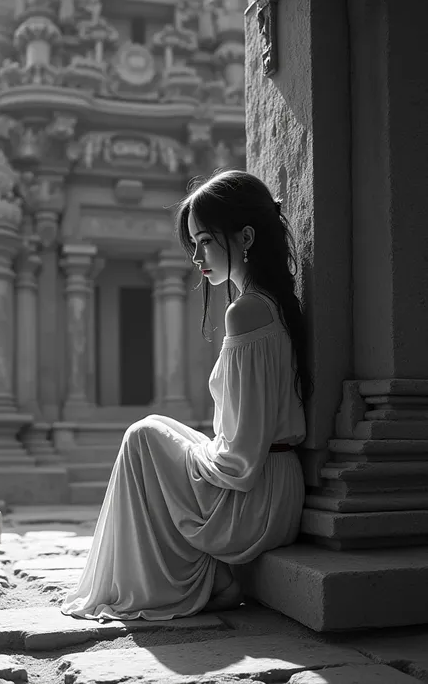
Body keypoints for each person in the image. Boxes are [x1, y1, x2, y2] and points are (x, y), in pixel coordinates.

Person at [61, 169, 311, 622]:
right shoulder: (271, 303)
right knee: (158, 434)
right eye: (193, 243)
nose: (196, 256)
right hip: (278, 487)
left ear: (247, 236)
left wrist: (188, 460)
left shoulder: (248, 311)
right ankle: (208, 575)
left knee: (143, 438)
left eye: (205, 241)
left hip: (257, 501)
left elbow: (238, 463)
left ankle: (201, 579)